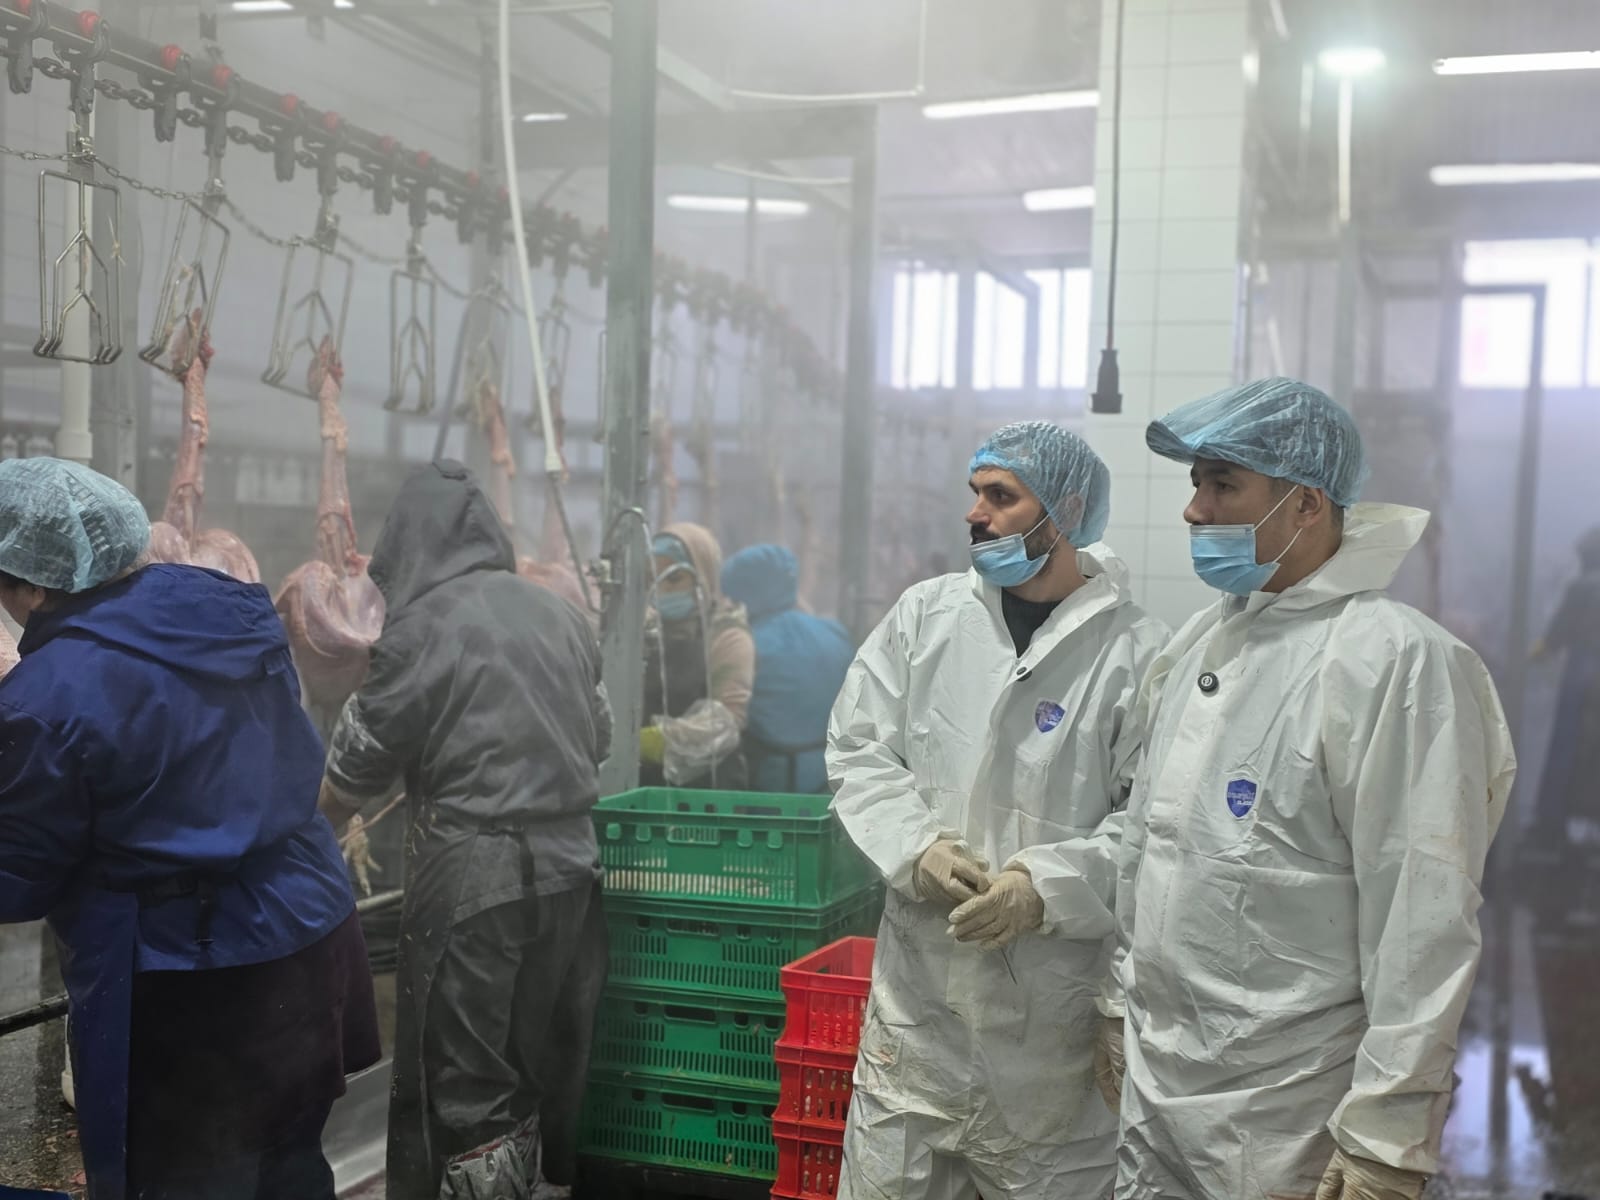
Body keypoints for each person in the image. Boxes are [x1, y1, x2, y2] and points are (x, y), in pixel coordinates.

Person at [1101, 379, 1516, 1200]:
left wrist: (1388, 1134)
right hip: (1159, 1093)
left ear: (1306, 504)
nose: (1193, 509)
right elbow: (1152, 844)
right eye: (1196, 483)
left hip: (1288, 1115)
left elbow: (1420, 915)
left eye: (1223, 485)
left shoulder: (1392, 662)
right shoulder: (1205, 643)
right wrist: (1120, 1000)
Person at [0, 457, 379, 1200]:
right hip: (313, 933)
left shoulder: (47, 693)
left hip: (200, 972)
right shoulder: (233, 613)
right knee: (289, 1163)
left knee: (187, 1178)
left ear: (36, 586)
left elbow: (19, 877)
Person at [828, 422, 1168, 1200]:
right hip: (916, 1028)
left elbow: (1150, 828)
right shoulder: (927, 616)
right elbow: (857, 748)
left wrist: (1045, 888)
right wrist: (915, 847)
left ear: (1067, 510)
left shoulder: (1138, 654)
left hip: (1046, 1044)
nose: (974, 514)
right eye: (975, 494)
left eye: (1001, 497)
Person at [317, 461, 610, 1200]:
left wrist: (302, 836)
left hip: (477, 881)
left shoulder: (423, 626)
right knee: (533, 1061)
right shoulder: (560, 614)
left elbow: (355, 767)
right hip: (573, 872)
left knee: (468, 1081)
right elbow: (599, 735)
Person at [720, 543, 855, 793]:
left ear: (741, 593)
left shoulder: (744, 645)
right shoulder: (835, 633)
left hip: (768, 791)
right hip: (831, 786)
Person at [640, 522, 754, 790]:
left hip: (709, 787)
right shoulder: (645, 631)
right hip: (646, 784)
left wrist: (655, 741)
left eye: (674, 578)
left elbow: (728, 722)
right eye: (653, 578)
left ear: (703, 575)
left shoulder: (727, 636)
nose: (662, 589)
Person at [1528, 526, 1600, 847]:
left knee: (1566, 746)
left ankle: (1552, 821)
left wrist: (1528, 657)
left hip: (1581, 673)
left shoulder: (1581, 587)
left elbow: (1556, 635)